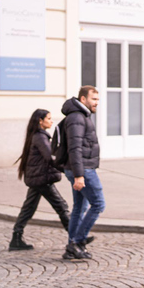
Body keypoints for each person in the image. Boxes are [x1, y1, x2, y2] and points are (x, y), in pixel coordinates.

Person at [10, 109, 70, 251]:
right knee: (62, 206)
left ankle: (16, 239)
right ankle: (77, 238)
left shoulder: (37, 136)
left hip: (37, 177)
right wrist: (67, 170)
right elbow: (50, 158)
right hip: (42, 178)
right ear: (40, 121)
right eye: (48, 118)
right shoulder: (40, 137)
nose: (51, 121)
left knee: (28, 208)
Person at [61, 86, 104, 260]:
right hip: (83, 170)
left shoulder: (80, 116)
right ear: (83, 99)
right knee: (99, 204)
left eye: (98, 100)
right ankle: (77, 242)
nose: (97, 103)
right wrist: (79, 175)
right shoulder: (77, 118)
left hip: (80, 169)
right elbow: (75, 148)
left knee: (79, 207)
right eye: (94, 99)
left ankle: (72, 246)